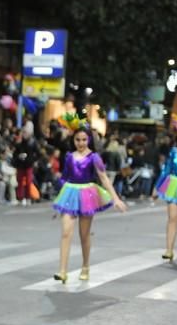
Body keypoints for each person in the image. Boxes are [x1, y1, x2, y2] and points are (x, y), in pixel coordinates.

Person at [52, 113, 126, 282]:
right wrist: (59, 202)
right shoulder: (69, 157)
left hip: (87, 195)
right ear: (74, 140)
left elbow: (104, 178)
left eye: (84, 140)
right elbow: (64, 178)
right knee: (65, 233)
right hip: (70, 194)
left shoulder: (94, 157)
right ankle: (62, 271)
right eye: (78, 140)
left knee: (84, 235)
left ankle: (85, 266)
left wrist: (116, 199)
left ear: (89, 140)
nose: (81, 143)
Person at [154, 121, 177, 261]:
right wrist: (156, 187)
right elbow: (166, 170)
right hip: (175, 186)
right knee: (172, 218)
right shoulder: (173, 151)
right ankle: (169, 249)